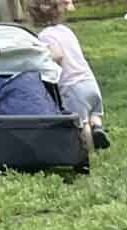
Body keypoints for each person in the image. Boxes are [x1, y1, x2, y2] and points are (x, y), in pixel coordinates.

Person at [25, 0, 105, 145]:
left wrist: (44, 62)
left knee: (81, 124)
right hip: (89, 82)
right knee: (94, 113)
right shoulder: (66, 30)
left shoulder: (45, 36)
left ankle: (87, 153)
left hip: (73, 87)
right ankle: (98, 127)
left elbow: (58, 55)